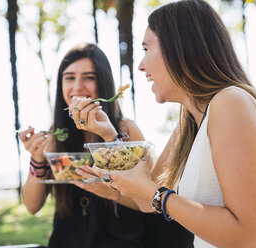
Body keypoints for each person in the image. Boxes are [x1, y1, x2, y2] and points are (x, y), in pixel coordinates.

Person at [83, 1, 256, 247]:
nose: (140, 65)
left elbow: (252, 237)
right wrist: (110, 136)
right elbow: (145, 199)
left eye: (146, 49)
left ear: (178, 48)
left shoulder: (230, 102)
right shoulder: (190, 121)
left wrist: (156, 196)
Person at [20, 43, 193, 248]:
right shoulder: (56, 133)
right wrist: (38, 159)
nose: (77, 87)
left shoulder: (124, 129)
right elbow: (32, 206)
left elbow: (150, 200)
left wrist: (112, 193)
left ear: (103, 82)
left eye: (89, 77)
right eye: (69, 77)